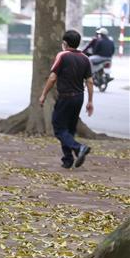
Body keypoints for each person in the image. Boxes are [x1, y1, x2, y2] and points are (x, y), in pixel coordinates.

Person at [39, 30, 94, 169]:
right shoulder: (85, 58)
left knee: (58, 128)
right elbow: (90, 82)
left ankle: (79, 147)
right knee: (68, 130)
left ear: (65, 43)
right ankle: (68, 159)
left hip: (65, 97)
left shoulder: (62, 55)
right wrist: (90, 101)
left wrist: (44, 94)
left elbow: (52, 78)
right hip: (79, 98)